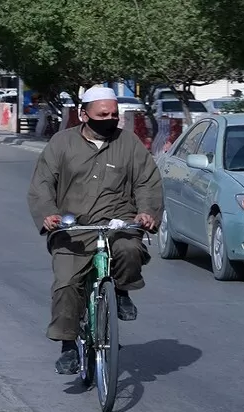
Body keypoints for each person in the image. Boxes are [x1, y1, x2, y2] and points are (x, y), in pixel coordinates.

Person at [27, 87, 163, 374]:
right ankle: (68, 346)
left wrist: (146, 212)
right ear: (83, 115)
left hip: (118, 223)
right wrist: (48, 213)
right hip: (73, 229)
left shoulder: (128, 143)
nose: (109, 119)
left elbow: (146, 182)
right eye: (102, 115)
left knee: (129, 249)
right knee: (66, 283)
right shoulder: (61, 143)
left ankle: (121, 291)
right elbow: (42, 184)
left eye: (114, 114)